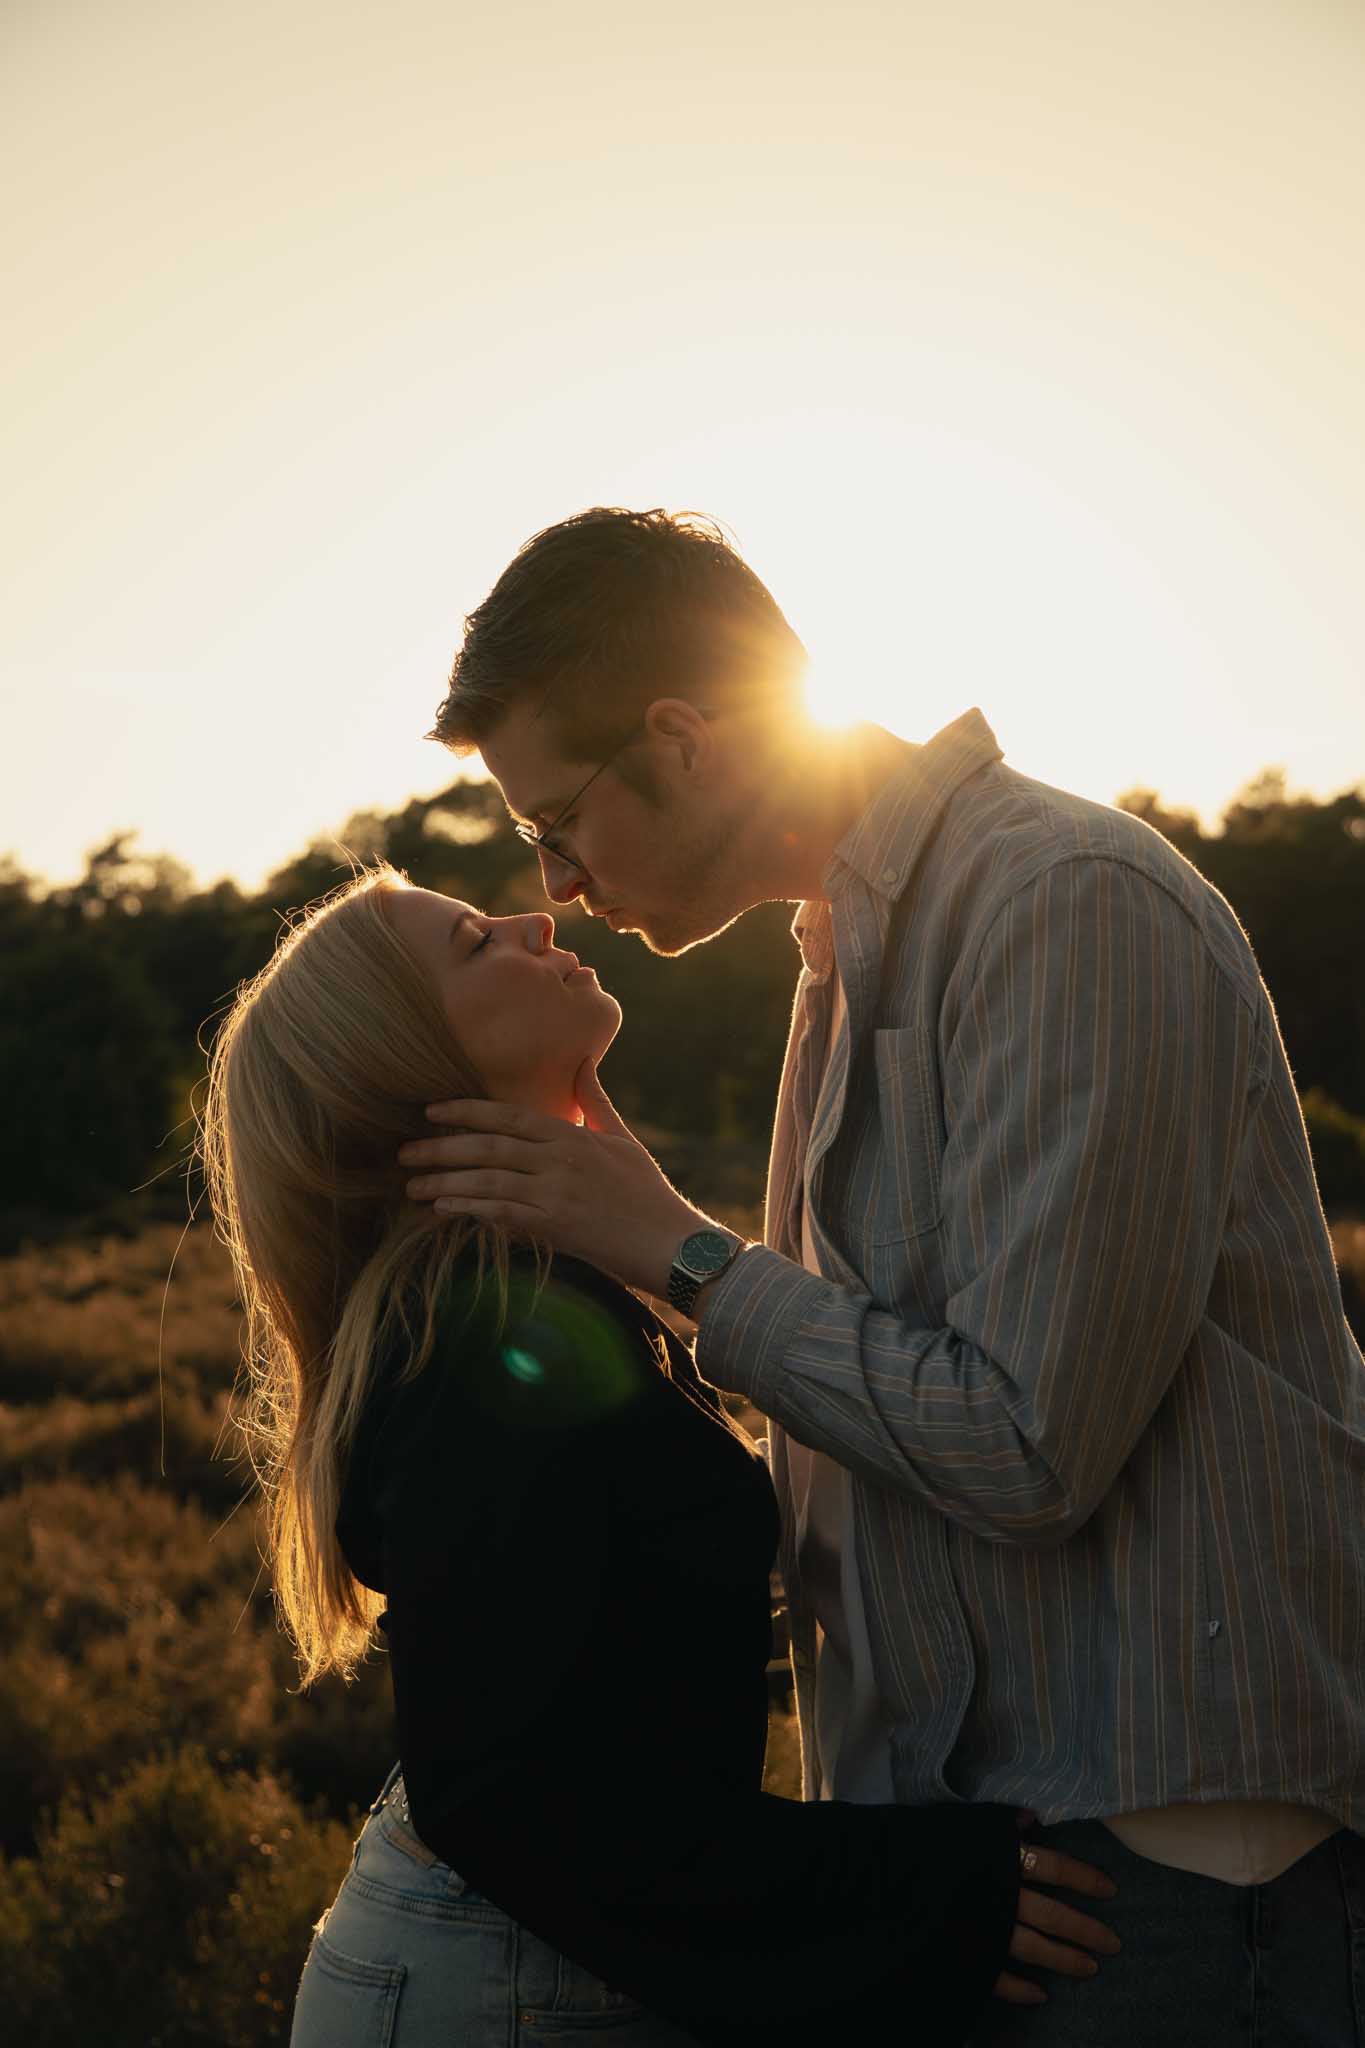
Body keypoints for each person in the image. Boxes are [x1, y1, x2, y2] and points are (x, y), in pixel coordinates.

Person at [403, 506, 1365, 2045]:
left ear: (684, 737)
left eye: (555, 820)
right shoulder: (843, 960)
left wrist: (681, 1253)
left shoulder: (1062, 905)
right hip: (990, 1869)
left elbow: (1027, 1443)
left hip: (1161, 1879)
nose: (558, 880)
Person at [199, 869, 1119, 2048]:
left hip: (521, 1958)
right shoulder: (484, 1344)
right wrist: (930, 1888)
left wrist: (650, 1230)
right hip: (511, 1982)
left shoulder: (516, 1295)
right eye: (480, 943)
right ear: (413, 1061)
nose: (539, 918)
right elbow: (514, 1802)